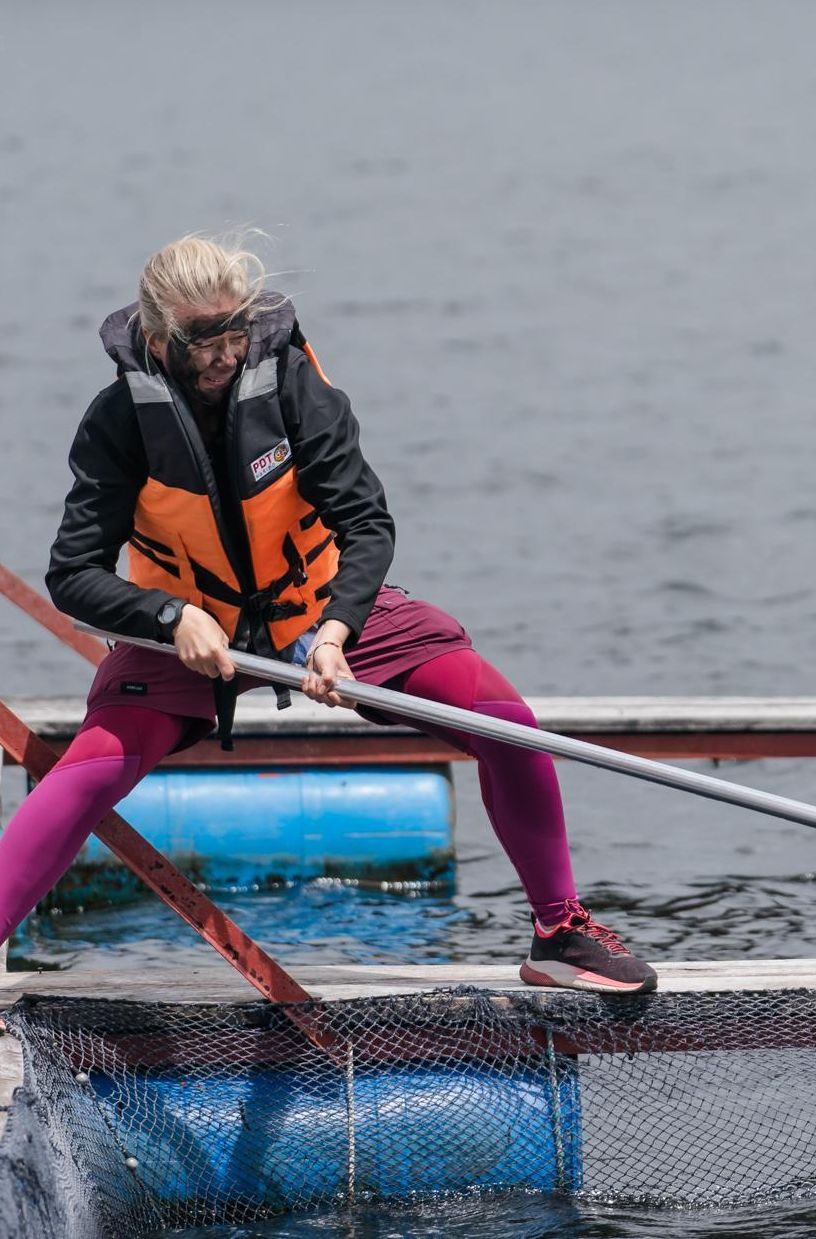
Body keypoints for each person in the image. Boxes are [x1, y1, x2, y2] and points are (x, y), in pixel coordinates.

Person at [0, 234, 656, 994]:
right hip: (189, 639)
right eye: (199, 338)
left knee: (505, 721)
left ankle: (559, 934)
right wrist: (170, 615)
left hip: (322, 613)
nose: (222, 354)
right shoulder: (117, 421)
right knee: (84, 772)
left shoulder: (292, 388)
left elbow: (366, 523)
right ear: (155, 336)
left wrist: (338, 629)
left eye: (234, 330)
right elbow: (72, 573)